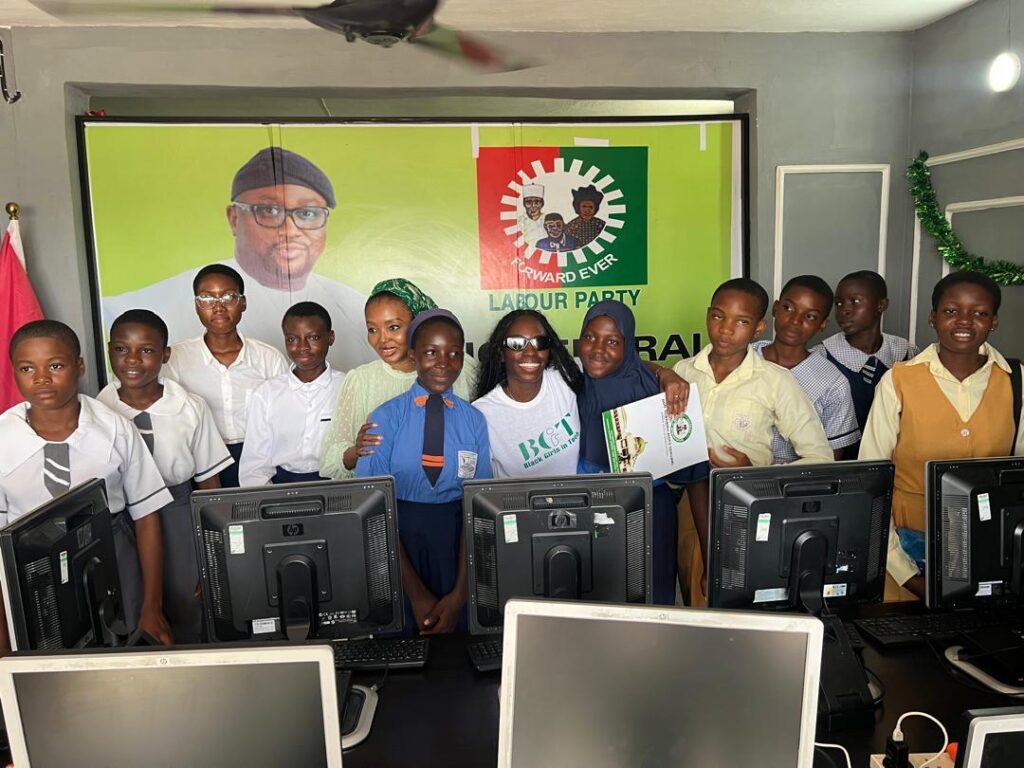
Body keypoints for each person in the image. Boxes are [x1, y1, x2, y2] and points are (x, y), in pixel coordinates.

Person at [102, 147, 376, 373]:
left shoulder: (354, 306)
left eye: (308, 214)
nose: (290, 230)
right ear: (234, 219)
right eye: (269, 211)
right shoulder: (149, 303)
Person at [0, 320, 175, 652]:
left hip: (111, 554)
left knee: (119, 650)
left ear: (79, 366)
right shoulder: (2, 437)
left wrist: (152, 606)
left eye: (55, 366)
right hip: (32, 565)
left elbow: (147, 516)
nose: (41, 379)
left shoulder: (115, 429)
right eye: (27, 368)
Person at [859, 271, 1024, 602]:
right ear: (932, 317)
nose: (964, 321)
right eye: (951, 310)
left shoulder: (1016, 379)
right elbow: (871, 482)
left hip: (989, 554)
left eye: (979, 312)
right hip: (906, 554)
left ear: (993, 322)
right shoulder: (898, 381)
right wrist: (906, 573)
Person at [673, 278, 833, 606]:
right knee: (698, 600)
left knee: (743, 603)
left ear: (759, 327)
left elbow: (820, 457)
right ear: (707, 315)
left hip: (750, 512)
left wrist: (756, 475)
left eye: (741, 321)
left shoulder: (775, 382)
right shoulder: (684, 371)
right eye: (718, 316)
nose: (725, 329)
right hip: (691, 509)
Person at [97, 309, 232, 642]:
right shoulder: (97, 410)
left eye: (146, 350)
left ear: (165, 354)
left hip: (178, 513)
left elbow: (209, 484)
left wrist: (211, 553)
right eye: (121, 349)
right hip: (120, 520)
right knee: (128, 605)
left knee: (186, 601)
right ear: (109, 350)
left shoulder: (190, 407)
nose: (132, 360)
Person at [355, 309, 491, 634]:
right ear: (413, 355)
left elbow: (479, 507)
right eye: (431, 352)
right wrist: (415, 595)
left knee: (458, 645)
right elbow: (370, 509)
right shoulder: (386, 418)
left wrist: (460, 593)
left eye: (454, 353)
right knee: (404, 644)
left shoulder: (474, 420)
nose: (443, 363)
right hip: (397, 547)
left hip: (457, 549)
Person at [576, 300, 708, 606]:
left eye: (613, 342)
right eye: (589, 337)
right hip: (587, 510)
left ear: (629, 346)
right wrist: (662, 369)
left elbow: (696, 478)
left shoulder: (660, 395)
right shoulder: (572, 382)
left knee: (650, 605)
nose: (597, 349)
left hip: (649, 515)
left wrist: (708, 553)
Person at [319, 278, 477, 480]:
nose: (382, 339)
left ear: (418, 325)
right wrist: (356, 451)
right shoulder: (360, 381)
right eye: (372, 329)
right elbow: (330, 463)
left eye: (393, 327)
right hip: (382, 496)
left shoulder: (460, 370)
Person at [163, 264, 289, 487]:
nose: (218, 307)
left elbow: (285, 418)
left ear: (243, 303)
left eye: (228, 296)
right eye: (207, 298)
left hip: (259, 457)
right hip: (198, 462)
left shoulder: (268, 358)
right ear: (196, 306)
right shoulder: (176, 359)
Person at [753, 275, 860, 462]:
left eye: (810, 316)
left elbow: (831, 457)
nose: (795, 320)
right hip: (728, 470)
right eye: (788, 308)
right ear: (775, 308)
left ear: (822, 325)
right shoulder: (744, 357)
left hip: (795, 478)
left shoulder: (833, 383)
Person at [239, 302, 344, 486]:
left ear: (331, 337)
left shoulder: (347, 387)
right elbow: (255, 464)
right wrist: (268, 499)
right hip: (281, 489)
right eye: (292, 339)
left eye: (313, 337)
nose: (302, 347)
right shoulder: (267, 393)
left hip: (337, 485)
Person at [814, 270, 918, 457]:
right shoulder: (821, 356)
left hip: (895, 464)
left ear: (881, 305)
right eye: (839, 303)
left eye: (855, 301)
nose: (844, 310)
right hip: (839, 463)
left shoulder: (907, 353)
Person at [473, 310, 584, 478]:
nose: (530, 352)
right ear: (501, 353)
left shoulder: (565, 378)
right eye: (517, 343)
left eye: (539, 342)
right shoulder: (481, 414)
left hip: (577, 494)